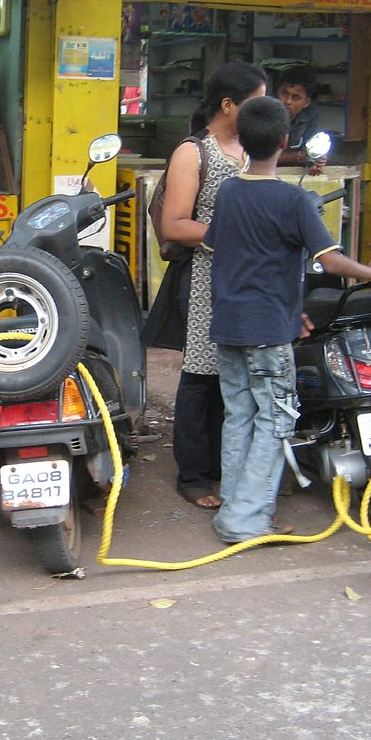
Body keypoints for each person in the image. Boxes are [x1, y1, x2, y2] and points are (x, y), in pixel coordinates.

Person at [206, 96, 371, 543]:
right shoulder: (293, 200)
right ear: (286, 142)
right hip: (268, 332)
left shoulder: (229, 191)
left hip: (230, 325)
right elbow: (331, 261)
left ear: (243, 140)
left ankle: (238, 505)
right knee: (275, 421)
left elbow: (220, 248)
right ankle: (243, 520)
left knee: (240, 417)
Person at [150, 60, 268, 510]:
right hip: (205, 278)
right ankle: (194, 475)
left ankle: (226, 464)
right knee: (201, 375)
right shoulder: (193, 152)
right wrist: (234, 237)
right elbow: (175, 224)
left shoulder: (252, 150)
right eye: (256, 102)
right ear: (227, 105)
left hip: (248, 279)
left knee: (235, 374)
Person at [276, 67, 325, 174]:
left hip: (292, 174)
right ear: (277, 92)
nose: (288, 101)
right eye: (284, 93)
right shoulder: (264, 112)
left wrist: (315, 162)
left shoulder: (309, 115)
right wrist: (301, 156)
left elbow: (310, 148)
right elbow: (258, 157)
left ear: (306, 102)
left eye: (296, 97)